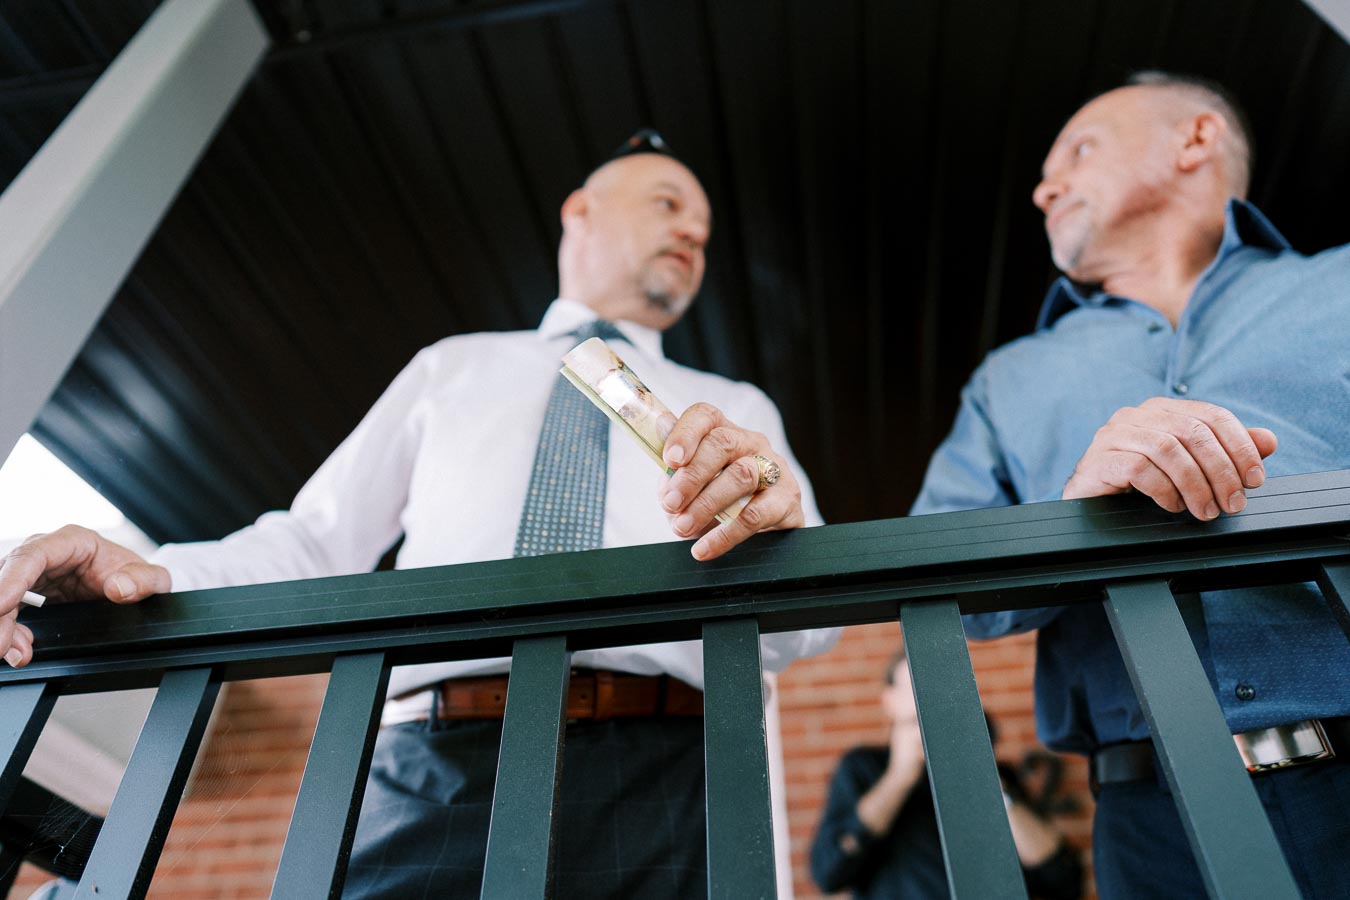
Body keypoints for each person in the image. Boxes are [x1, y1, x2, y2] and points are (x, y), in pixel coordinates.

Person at [0, 130, 838, 898]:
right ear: (581, 210)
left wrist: (783, 544)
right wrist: (145, 568)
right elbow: (315, 541)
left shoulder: (734, 409)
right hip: (435, 766)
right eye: (669, 203)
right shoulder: (452, 368)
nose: (694, 233)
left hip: (663, 772)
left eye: (704, 224)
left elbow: (812, 630)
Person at [909, 71, 1350, 897]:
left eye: (1078, 150)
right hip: (1151, 829)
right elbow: (942, 587)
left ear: (1195, 141)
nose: (1043, 188)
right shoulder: (1007, 379)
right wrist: (1074, 517)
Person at [810, 648, 1082, 900]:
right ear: (889, 701)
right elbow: (829, 872)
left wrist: (988, 783)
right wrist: (899, 777)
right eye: (916, 687)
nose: (931, 699)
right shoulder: (863, 767)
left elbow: (1063, 880)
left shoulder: (995, 773)